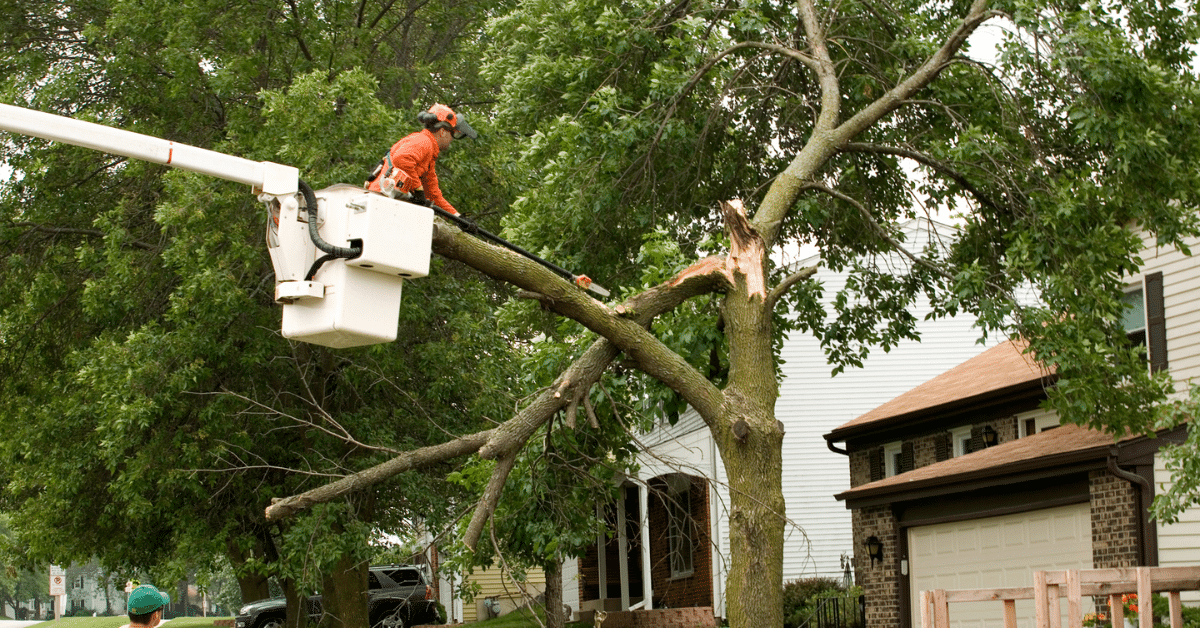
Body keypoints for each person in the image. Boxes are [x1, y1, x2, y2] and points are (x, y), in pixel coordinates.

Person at [366, 103, 477, 216]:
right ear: (443, 132)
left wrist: (458, 217)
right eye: (452, 133)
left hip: (386, 203)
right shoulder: (423, 141)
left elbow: (433, 195)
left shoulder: (429, 156)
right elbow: (401, 159)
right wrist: (418, 190)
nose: (451, 139)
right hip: (380, 199)